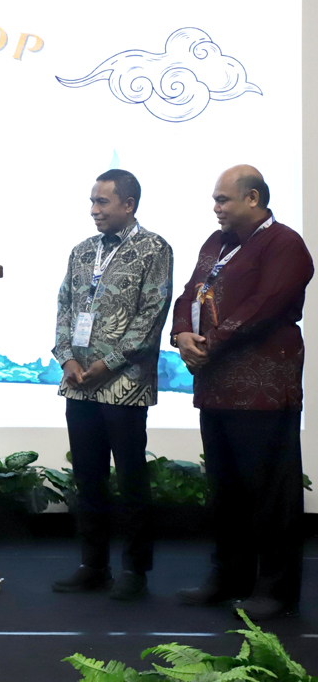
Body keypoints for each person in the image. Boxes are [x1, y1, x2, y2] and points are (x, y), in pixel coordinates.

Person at [173, 165, 313, 620]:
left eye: (223, 199)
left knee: (269, 491)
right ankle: (229, 576)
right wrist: (181, 335)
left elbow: (265, 306)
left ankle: (275, 590)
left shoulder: (285, 244)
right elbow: (190, 294)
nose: (215, 208)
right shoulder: (216, 243)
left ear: (253, 198)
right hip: (216, 385)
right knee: (225, 489)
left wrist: (209, 343)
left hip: (263, 388)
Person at [50, 169, 173, 601]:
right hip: (79, 382)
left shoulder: (154, 248)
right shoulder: (82, 251)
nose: (93, 210)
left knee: (131, 477)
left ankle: (135, 570)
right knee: (88, 477)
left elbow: (152, 315)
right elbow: (64, 307)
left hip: (125, 383)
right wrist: (65, 356)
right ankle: (94, 566)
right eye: (92, 201)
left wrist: (110, 362)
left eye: (102, 202)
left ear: (129, 204)